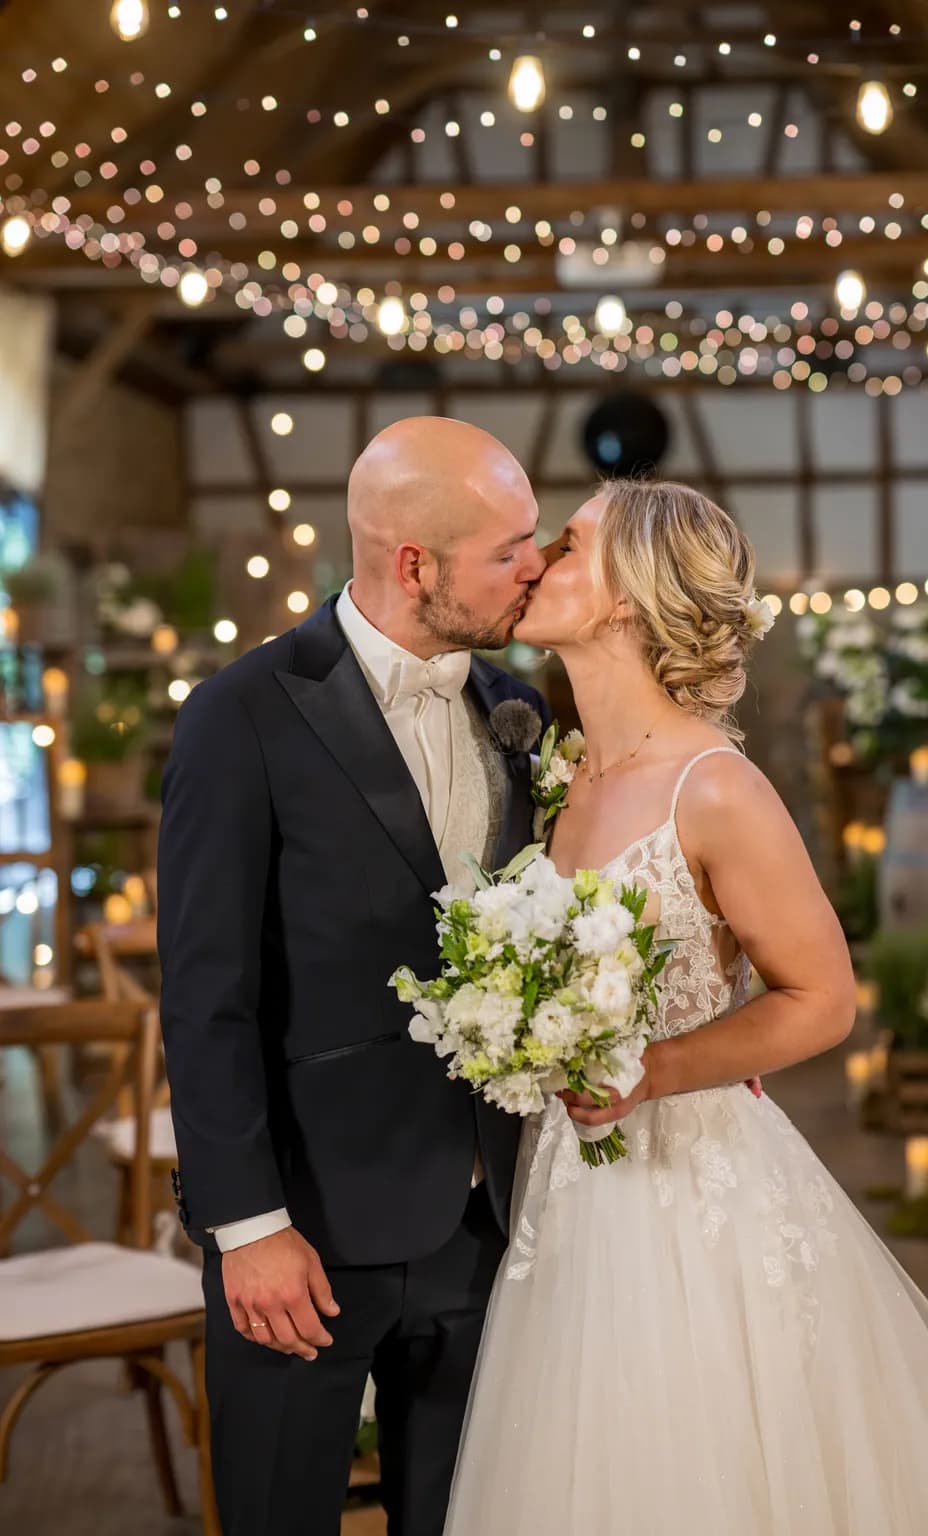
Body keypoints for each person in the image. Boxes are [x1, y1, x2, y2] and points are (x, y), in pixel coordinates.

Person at [443, 478, 928, 1535]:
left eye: (567, 544)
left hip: (686, 1192)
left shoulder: (712, 787)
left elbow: (823, 998)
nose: (536, 562)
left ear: (625, 597)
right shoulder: (561, 776)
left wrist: (649, 1070)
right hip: (568, 1191)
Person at [157, 417, 549, 1536]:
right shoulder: (242, 715)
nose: (537, 565)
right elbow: (205, 993)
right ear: (411, 563)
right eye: (508, 547)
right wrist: (246, 1226)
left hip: (489, 1221)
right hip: (306, 1235)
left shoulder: (516, 708)